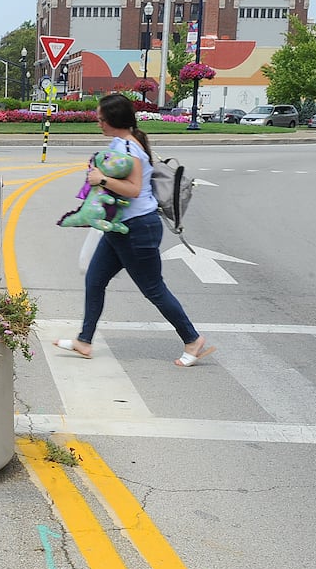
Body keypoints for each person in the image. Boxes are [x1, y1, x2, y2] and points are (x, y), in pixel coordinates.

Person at [54, 94, 215, 367]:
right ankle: (84, 340)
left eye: (101, 119)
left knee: (153, 289)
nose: (98, 123)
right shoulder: (122, 142)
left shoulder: (130, 149)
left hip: (138, 229)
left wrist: (100, 178)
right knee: (95, 280)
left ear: (114, 121)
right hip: (122, 228)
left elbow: (134, 189)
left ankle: (192, 339)